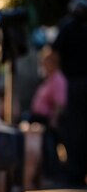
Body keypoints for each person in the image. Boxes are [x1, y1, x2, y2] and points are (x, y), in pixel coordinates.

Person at [53, 0, 87, 187]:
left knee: (75, 128)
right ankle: (76, 173)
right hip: (74, 83)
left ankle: (75, 174)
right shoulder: (69, 27)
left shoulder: (67, 27)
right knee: (76, 129)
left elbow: (55, 53)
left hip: (74, 84)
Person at [29, 46, 67, 181]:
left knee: (50, 149)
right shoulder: (49, 78)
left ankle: (53, 176)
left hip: (48, 121)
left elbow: (59, 103)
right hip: (39, 119)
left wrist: (54, 120)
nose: (43, 65)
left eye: (45, 62)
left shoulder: (58, 79)